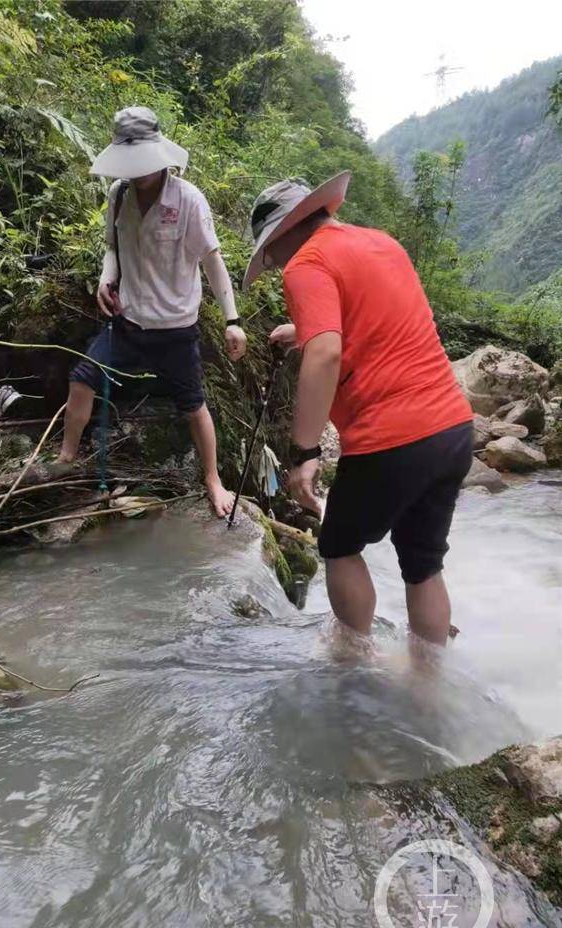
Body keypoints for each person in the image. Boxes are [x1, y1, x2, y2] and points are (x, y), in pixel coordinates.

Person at [243, 173, 473, 648]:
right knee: (423, 563)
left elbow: (326, 355)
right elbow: (377, 320)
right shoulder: (380, 243)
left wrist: (304, 451)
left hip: (390, 438)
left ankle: (352, 669)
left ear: (285, 231)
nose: (276, 263)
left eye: (271, 252)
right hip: (451, 427)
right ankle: (429, 684)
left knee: (339, 546)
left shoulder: (305, 262)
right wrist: (302, 329)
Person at [58, 106, 247, 516]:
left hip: (176, 328)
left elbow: (213, 261)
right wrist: (104, 281)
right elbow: (113, 247)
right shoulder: (119, 194)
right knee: (81, 379)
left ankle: (213, 479)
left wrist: (233, 321)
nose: (137, 171)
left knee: (193, 403)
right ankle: (65, 462)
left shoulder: (188, 199)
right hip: (127, 321)